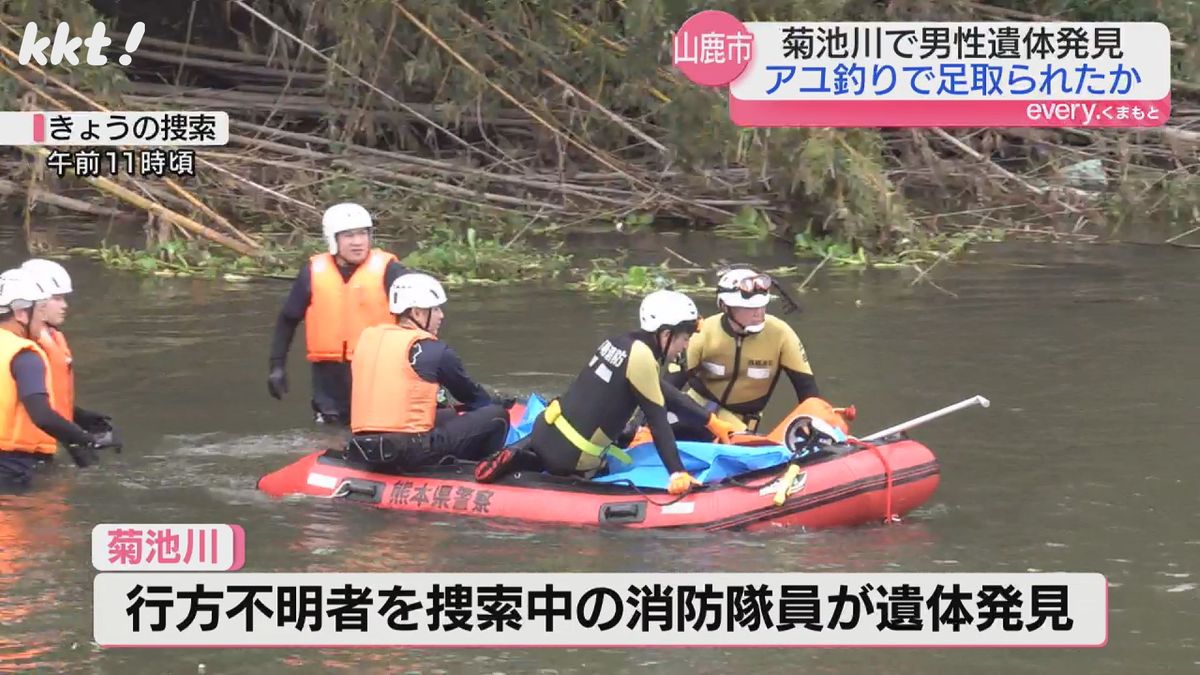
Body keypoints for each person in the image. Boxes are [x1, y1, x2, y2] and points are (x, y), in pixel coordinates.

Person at [475, 290, 737, 495]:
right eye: (684, 337)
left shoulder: (620, 342)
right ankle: (532, 464)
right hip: (571, 458)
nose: (686, 345)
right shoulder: (643, 357)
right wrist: (677, 472)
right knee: (620, 446)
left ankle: (522, 454)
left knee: (618, 432)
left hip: (544, 430)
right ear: (666, 333)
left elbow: (660, 390)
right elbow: (658, 422)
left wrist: (709, 421)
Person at [343, 273, 511, 472]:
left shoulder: (367, 341)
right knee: (496, 415)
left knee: (447, 414)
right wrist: (496, 403)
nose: (441, 315)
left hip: (364, 445)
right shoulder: (435, 351)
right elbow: (475, 398)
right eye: (436, 309)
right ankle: (479, 472)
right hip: (409, 451)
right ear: (417, 312)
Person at [267, 202, 409, 424]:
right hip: (329, 378)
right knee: (332, 432)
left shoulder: (390, 270)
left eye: (363, 234)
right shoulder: (313, 272)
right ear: (333, 239)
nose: (358, 242)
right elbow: (288, 319)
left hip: (378, 371)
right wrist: (277, 366)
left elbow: (420, 319)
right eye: (349, 236)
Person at [666, 267, 820, 440]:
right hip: (694, 413)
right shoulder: (702, 333)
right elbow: (669, 386)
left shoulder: (781, 334)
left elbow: (808, 392)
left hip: (740, 428)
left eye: (762, 306)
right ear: (725, 306)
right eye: (749, 308)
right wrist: (646, 425)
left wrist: (812, 423)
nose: (758, 313)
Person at [0, 269, 120, 490]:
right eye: (40, 310)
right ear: (20, 314)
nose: (43, 318)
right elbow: (42, 415)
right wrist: (87, 440)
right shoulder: (26, 356)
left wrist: (79, 416)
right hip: (13, 466)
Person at [19, 258, 119, 443]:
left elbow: (41, 396)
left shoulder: (51, 337)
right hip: (25, 449)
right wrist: (84, 440)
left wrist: (78, 416)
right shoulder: (21, 348)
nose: (64, 305)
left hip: (50, 438)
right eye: (57, 298)